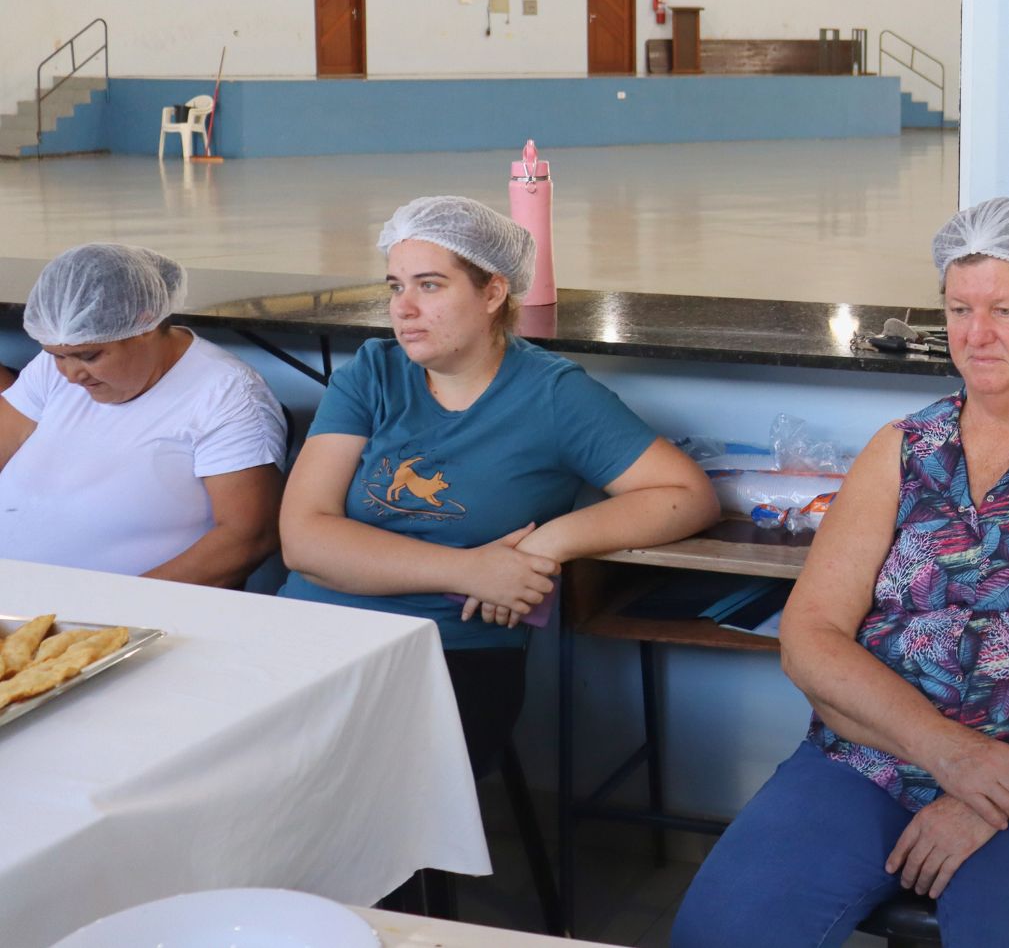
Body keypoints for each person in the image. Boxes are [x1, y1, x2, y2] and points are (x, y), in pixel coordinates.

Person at [672, 198, 1009, 948]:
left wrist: (990, 790)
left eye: (1004, 310)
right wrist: (945, 750)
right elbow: (811, 634)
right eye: (959, 309)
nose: (976, 334)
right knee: (721, 931)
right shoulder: (902, 449)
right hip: (869, 758)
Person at [278, 195, 718, 772]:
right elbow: (305, 541)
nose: (403, 309)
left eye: (429, 285)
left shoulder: (553, 395)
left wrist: (545, 545)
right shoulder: (372, 374)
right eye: (395, 286)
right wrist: (469, 570)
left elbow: (686, 496)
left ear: (492, 293)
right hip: (307, 631)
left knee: (334, 783)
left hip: (448, 650)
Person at [0, 243, 286, 587]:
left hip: (120, 612)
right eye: (57, 356)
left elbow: (248, 538)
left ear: (145, 323)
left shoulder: (227, 394)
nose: (71, 374)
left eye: (90, 356)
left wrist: (117, 606)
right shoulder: (56, 364)